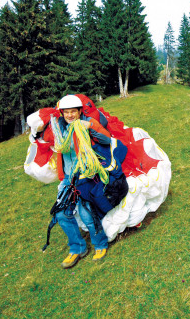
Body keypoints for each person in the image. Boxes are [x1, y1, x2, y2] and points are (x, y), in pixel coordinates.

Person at [50, 94, 115, 269]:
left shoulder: (87, 123)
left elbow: (107, 138)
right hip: (68, 178)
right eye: (66, 112)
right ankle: (77, 248)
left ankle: (100, 244)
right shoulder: (59, 128)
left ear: (79, 111)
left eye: (73, 112)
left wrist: (90, 126)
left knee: (86, 213)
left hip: (85, 174)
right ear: (62, 113)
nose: (70, 115)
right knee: (61, 213)